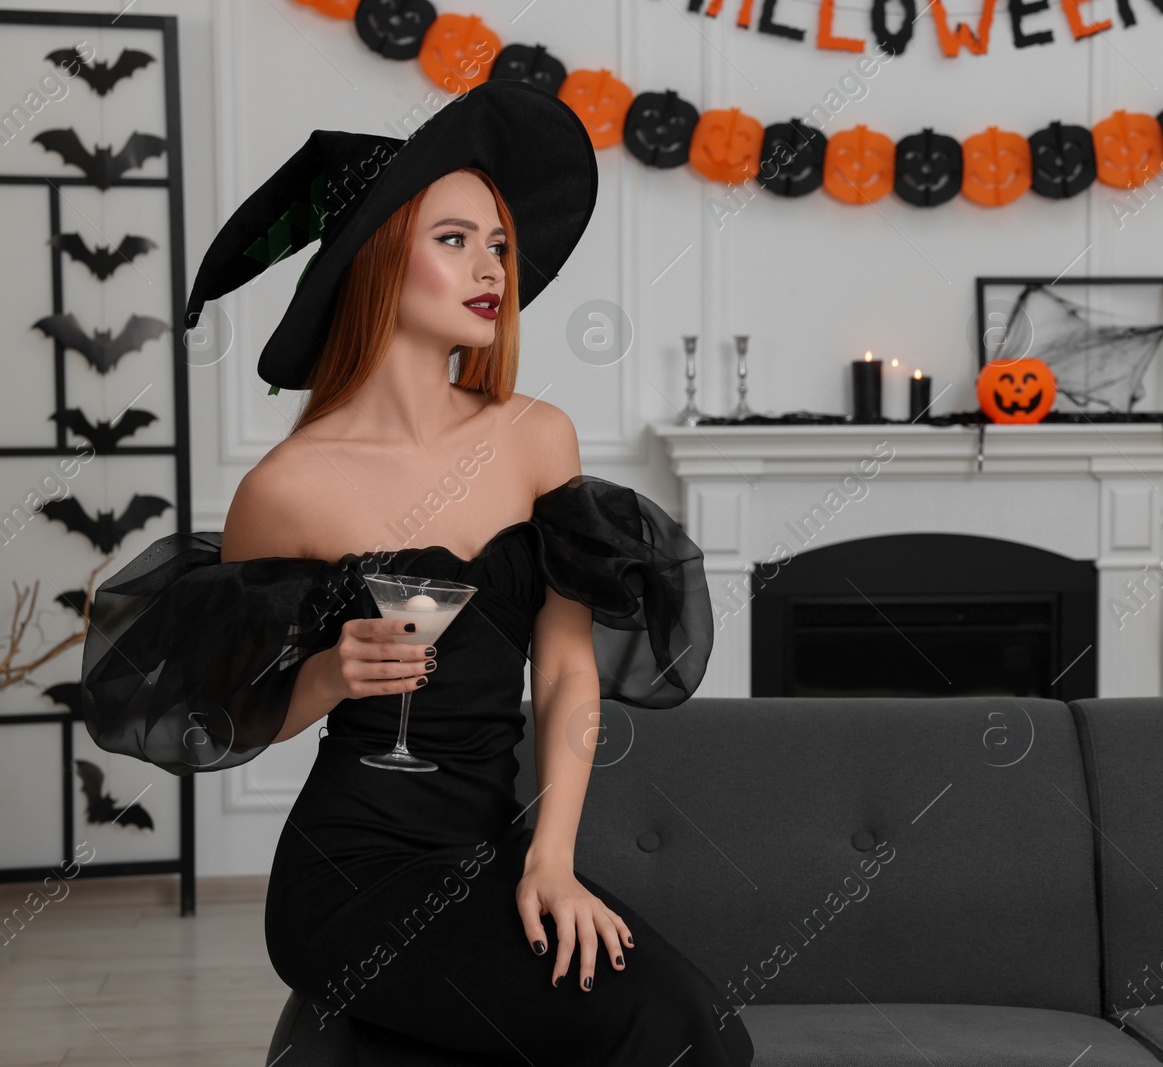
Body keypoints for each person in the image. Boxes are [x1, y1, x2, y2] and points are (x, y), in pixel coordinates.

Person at [79, 80, 754, 1066]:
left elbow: (566, 674)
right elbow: (223, 705)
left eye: (498, 244)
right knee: (654, 1025)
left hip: (494, 848)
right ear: (376, 255)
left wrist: (552, 859)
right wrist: (328, 672)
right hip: (350, 872)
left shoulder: (534, 438)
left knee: (704, 1029)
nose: (489, 264)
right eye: (453, 238)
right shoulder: (290, 486)